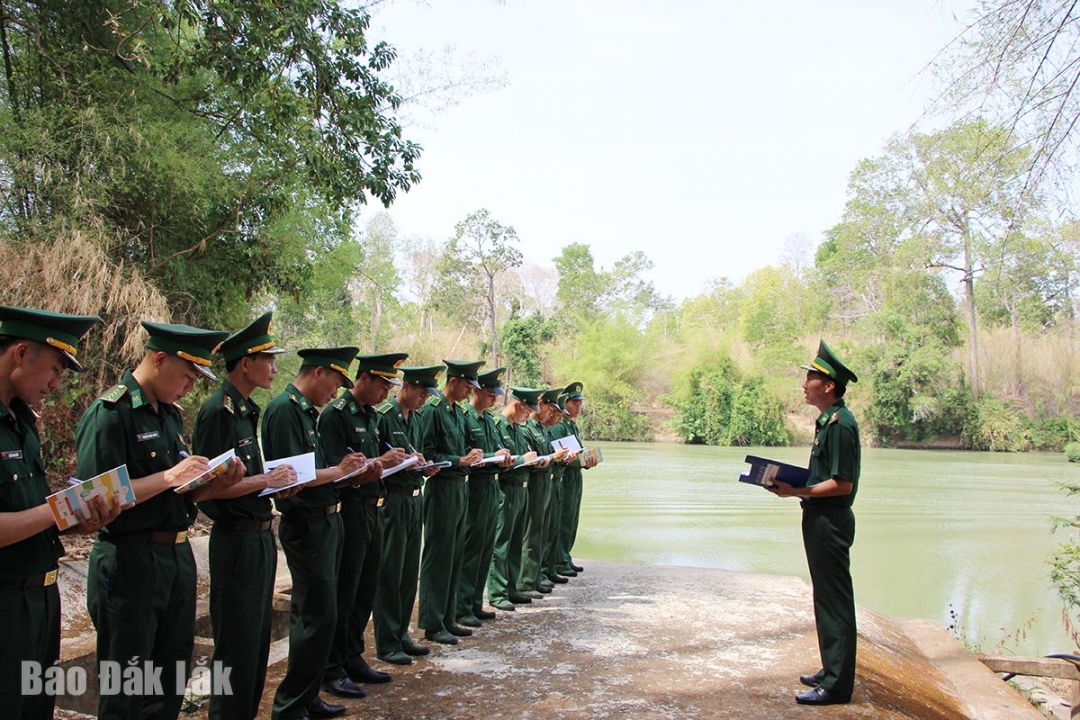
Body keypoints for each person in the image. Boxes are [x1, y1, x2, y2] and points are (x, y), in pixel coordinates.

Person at [77, 320, 243, 720]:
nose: (189, 387)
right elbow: (92, 499)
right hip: (129, 560)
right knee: (128, 684)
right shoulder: (111, 414)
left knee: (169, 677)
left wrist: (212, 483)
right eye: (186, 376)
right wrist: (168, 476)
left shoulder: (168, 415)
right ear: (159, 359)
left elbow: (176, 492)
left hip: (175, 556)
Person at [0, 306, 117, 720]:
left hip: (41, 596)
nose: (55, 384)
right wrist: (55, 513)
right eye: (53, 370)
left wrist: (77, 520)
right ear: (20, 354)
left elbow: (27, 513)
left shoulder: (20, 421)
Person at [192, 311, 298, 720]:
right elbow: (210, 490)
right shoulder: (218, 411)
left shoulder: (245, 410)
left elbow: (249, 480)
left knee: (254, 646)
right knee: (235, 648)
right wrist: (263, 481)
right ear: (244, 363)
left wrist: (274, 483)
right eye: (267, 359)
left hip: (258, 536)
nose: (273, 367)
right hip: (234, 539)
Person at [263, 347, 373, 720]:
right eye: (336, 382)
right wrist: (338, 470)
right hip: (306, 522)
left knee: (324, 613)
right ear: (319, 372)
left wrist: (346, 470)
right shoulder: (283, 409)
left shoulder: (308, 412)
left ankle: (307, 696)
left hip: (328, 518)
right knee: (313, 616)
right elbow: (289, 475)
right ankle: (291, 704)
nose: (336, 391)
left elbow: (316, 467)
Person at [768, 340, 861, 706]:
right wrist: (795, 487)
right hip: (818, 517)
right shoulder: (826, 421)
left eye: (810, 377)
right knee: (824, 597)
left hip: (831, 521)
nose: (804, 384)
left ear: (829, 385)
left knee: (835, 601)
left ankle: (838, 685)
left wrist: (796, 490)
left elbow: (842, 483)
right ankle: (831, 668)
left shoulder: (840, 424)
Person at [320, 353, 408, 695]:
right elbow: (334, 470)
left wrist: (389, 464)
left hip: (374, 507)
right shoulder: (336, 415)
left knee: (365, 588)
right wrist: (378, 461)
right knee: (346, 589)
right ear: (366, 379)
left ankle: (353, 655)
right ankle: (332, 667)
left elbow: (369, 466)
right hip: (351, 508)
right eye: (383, 386)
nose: (385, 394)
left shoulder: (370, 416)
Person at [373, 365, 444, 666]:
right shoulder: (384, 415)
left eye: (427, 397)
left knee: (406, 573)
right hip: (393, 501)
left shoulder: (414, 418)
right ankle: (387, 641)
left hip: (415, 497)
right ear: (407, 387)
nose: (423, 401)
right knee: (390, 571)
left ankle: (401, 632)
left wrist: (424, 465)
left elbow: (413, 454)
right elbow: (376, 465)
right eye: (421, 394)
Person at [416, 359, 485, 645]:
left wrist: (473, 456)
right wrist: (460, 460)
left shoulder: (456, 412)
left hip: (460, 487)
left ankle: (447, 617)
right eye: (467, 385)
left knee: (456, 554)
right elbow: (427, 452)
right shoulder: (433, 411)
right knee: (439, 555)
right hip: (441, 488)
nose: (470, 391)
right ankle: (432, 622)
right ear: (453, 381)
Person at [456, 367, 512, 627]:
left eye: (496, 395)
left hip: (491, 484)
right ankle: (462, 605)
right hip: (474, 486)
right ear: (476, 391)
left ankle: (475, 603)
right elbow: (464, 452)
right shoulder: (466, 417)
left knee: (485, 547)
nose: (494, 399)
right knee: (471, 548)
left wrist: (501, 456)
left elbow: (491, 450)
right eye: (490, 394)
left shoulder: (488, 420)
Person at [487, 387, 541, 612]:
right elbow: (499, 461)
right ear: (517, 405)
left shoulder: (517, 429)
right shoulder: (498, 426)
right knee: (501, 543)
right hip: (505, 489)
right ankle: (498, 592)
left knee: (517, 541)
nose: (529, 416)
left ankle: (511, 587)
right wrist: (522, 459)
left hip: (522, 489)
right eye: (527, 411)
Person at [519, 389, 567, 597]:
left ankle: (535, 577)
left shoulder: (542, 429)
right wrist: (552, 457)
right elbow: (532, 459)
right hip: (534, 484)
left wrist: (558, 458)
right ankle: (525, 581)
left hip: (546, 482)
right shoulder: (527, 428)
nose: (551, 413)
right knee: (531, 534)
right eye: (549, 407)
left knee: (542, 533)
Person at [552, 381, 588, 576]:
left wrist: (587, 460)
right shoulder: (559, 426)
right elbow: (561, 454)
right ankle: (559, 559)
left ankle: (566, 555)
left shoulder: (572, 426)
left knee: (572, 518)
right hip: (565, 477)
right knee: (563, 518)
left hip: (575, 476)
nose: (577, 407)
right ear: (564, 403)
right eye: (574, 403)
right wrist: (581, 461)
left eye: (579, 404)